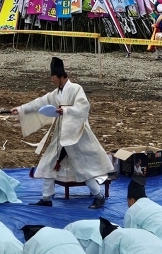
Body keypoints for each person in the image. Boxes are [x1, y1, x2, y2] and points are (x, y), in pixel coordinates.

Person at [11, 57, 112, 208]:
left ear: (61, 76)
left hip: (76, 135)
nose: (52, 80)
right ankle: (46, 198)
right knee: (48, 163)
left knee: (83, 167)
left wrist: (64, 110)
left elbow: (83, 107)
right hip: (60, 136)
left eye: (53, 77)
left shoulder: (75, 89)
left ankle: (98, 196)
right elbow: (40, 102)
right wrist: (21, 109)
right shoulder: (55, 94)